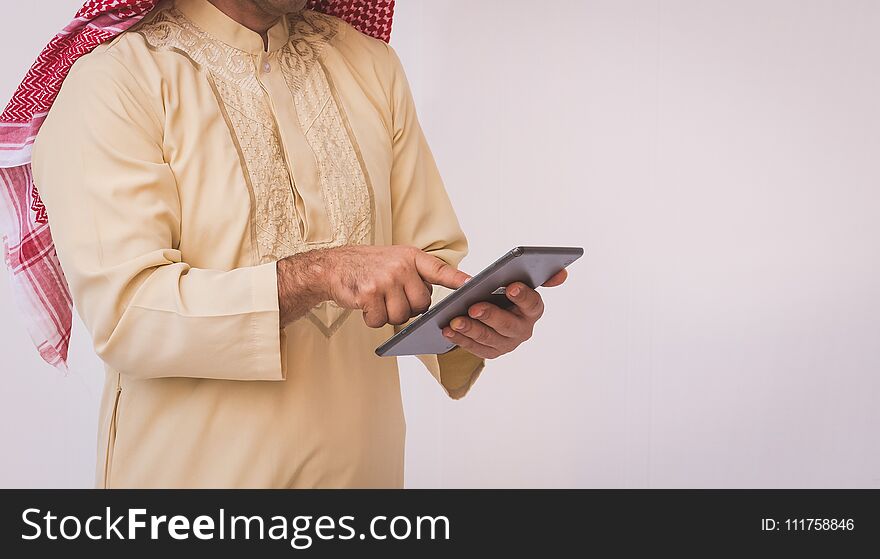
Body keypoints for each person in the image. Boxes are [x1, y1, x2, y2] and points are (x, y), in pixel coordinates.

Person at [11, 0, 566, 488]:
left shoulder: (370, 66)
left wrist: (478, 323)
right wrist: (319, 273)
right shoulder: (119, 80)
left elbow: (428, 267)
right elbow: (126, 316)